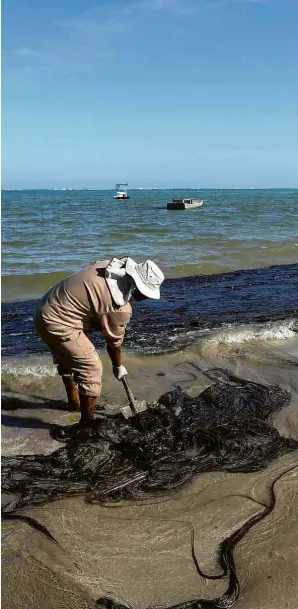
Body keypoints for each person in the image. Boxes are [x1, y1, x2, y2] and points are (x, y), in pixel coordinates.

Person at [35, 257, 164, 428]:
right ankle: (87, 422)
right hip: (57, 322)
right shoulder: (119, 308)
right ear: (136, 285)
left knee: (70, 359)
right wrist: (118, 366)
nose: (147, 298)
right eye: (146, 293)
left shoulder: (108, 266)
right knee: (91, 366)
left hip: (45, 307)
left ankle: (74, 403)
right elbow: (113, 343)